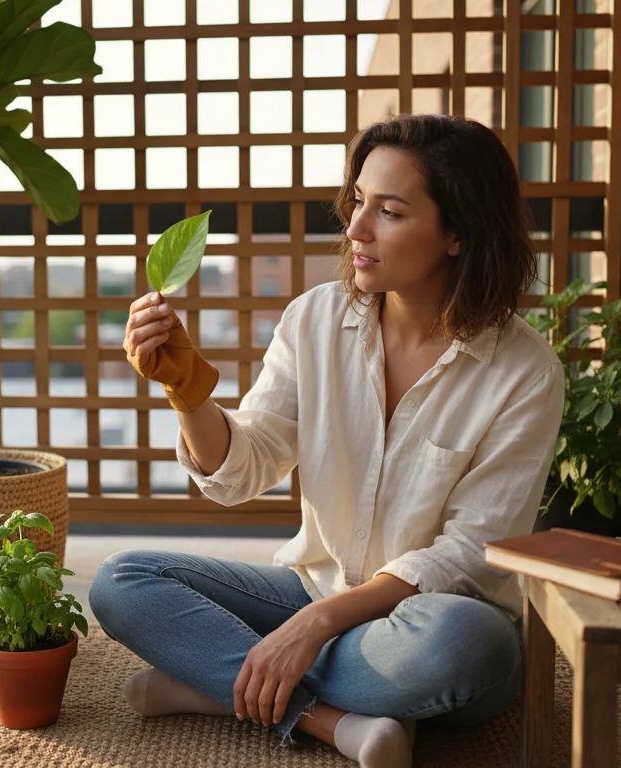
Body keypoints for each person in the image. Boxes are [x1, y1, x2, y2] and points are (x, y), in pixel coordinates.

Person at [89, 113, 566, 768]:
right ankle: (328, 721)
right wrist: (188, 392)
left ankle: (218, 682)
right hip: (314, 587)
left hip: (427, 622)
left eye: (390, 212)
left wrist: (313, 628)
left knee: (472, 646)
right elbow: (243, 469)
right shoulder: (313, 320)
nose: (357, 229)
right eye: (358, 203)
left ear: (457, 232)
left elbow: (466, 554)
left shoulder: (524, 371)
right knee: (124, 580)